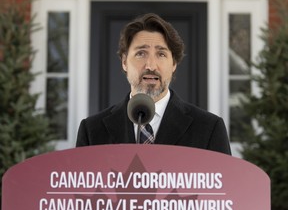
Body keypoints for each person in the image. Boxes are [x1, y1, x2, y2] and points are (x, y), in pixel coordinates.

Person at [76, 13, 231, 155]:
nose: (150, 65)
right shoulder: (91, 131)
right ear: (124, 62)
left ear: (174, 64)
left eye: (161, 54)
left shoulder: (209, 129)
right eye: (141, 53)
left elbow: (227, 185)